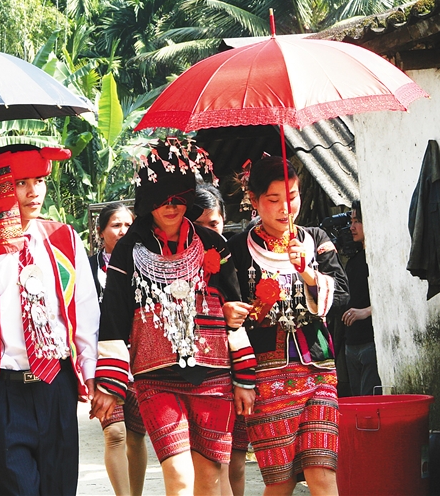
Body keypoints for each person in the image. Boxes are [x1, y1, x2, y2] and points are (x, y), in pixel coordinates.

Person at [91, 138, 257, 496]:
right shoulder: (128, 250)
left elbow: (235, 310)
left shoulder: (213, 244)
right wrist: (110, 385)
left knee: (211, 475)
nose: (171, 206)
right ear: (147, 199)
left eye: (178, 198)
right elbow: (114, 316)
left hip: (213, 375)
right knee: (179, 476)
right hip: (156, 377)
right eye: (162, 198)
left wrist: (244, 378)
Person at [0, 144, 99, 495]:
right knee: (14, 487)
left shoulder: (64, 239)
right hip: (5, 391)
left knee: (60, 488)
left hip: (57, 385)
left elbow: (85, 311)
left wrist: (90, 372)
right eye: (21, 183)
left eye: (40, 181)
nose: (34, 192)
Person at [226, 155, 349, 496]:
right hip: (265, 378)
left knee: (322, 473)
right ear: (254, 200)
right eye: (274, 199)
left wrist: (307, 272)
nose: (286, 208)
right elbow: (228, 312)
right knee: (281, 482)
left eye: (292, 196)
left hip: (318, 370)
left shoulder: (315, 239)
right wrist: (232, 312)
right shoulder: (238, 250)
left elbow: (342, 295)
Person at [88, 203, 147, 496]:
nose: (123, 231)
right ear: (101, 232)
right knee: (114, 433)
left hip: (138, 357)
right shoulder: (87, 267)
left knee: (136, 436)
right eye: (115, 225)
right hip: (103, 358)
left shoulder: (145, 263)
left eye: (128, 225)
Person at [192, 184, 246, 496]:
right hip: (200, 373)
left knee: (234, 461)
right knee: (213, 463)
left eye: (213, 224)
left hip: (235, 368)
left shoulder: (235, 252)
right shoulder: (176, 260)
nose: (207, 232)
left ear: (224, 220)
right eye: (199, 225)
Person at [342, 200, 381, 396]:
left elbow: (390, 299)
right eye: (351, 222)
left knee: (370, 401)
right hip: (351, 344)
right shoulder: (353, 262)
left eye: (357, 221)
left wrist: (366, 311)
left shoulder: (378, 259)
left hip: (370, 343)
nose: (352, 227)